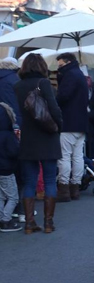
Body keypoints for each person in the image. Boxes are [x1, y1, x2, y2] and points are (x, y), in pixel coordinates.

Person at [14, 54, 63, 234]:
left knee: (29, 182)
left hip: (27, 138)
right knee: (50, 179)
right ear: (41, 66)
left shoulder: (17, 86)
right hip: (48, 137)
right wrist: (59, 126)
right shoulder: (44, 83)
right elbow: (54, 108)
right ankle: (48, 223)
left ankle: (29, 223)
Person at [54, 53, 89, 202]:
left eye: (60, 65)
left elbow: (62, 97)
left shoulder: (70, 75)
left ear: (68, 62)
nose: (58, 68)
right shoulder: (79, 74)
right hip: (81, 123)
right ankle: (75, 187)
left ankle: (64, 189)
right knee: (77, 156)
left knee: (64, 157)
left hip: (68, 122)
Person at [0, 102, 21, 232]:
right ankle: (6, 220)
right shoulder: (8, 135)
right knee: (13, 197)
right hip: (7, 170)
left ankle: (1, 216)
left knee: (1, 196)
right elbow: (14, 152)